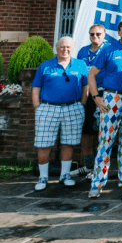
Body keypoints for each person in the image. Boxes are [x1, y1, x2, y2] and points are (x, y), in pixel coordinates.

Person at [87, 20, 122, 197]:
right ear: (119, 33)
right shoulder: (108, 49)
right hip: (111, 98)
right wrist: (96, 97)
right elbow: (91, 75)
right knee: (106, 141)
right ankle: (97, 182)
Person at [32, 36, 88, 190]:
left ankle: (65, 175)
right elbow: (36, 88)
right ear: (56, 48)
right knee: (44, 144)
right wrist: (37, 107)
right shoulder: (46, 66)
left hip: (73, 107)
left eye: (68, 47)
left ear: (73, 48)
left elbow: (86, 86)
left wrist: (82, 104)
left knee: (68, 142)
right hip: (48, 108)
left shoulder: (80, 64)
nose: (65, 49)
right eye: (62, 47)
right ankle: (43, 178)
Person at [76, 24, 113, 177]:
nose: (95, 37)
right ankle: (88, 165)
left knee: (101, 131)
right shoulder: (82, 51)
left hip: (104, 94)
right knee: (86, 131)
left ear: (104, 34)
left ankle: (99, 166)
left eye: (98, 34)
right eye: (92, 34)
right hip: (86, 94)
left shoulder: (109, 49)